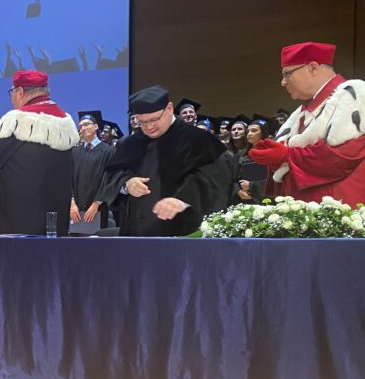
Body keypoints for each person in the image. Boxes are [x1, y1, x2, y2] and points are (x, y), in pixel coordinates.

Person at [249, 42, 365, 205]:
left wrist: (286, 155)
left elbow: (345, 155)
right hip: (304, 207)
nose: (283, 82)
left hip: (341, 206)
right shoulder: (301, 113)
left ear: (313, 68)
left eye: (287, 74)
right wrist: (276, 159)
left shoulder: (353, 93)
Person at [105, 85, 228, 236]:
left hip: (182, 234)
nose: (149, 127)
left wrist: (182, 200)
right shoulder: (129, 143)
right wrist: (126, 184)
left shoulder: (198, 140)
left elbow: (214, 180)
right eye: (142, 121)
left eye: (154, 119)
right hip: (135, 234)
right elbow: (111, 175)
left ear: (169, 109)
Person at [0, 71, 75, 236]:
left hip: (16, 223)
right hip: (54, 220)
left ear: (20, 92)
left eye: (12, 92)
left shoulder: (16, 121)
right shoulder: (65, 121)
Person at [71, 110, 114, 229]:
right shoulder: (74, 153)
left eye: (87, 124)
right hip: (76, 211)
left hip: (99, 209)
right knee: (76, 238)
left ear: (96, 126)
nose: (83, 128)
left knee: (98, 239)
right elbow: (69, 179)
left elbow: (109, 179)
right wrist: (72, 203)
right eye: (80, 126)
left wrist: (96, 204)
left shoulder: (108, 151)